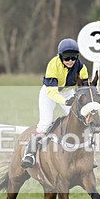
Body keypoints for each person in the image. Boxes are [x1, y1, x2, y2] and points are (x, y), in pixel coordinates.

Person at [21, 37, 89, 168]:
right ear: (60, 57)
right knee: (45, 124)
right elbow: (52, 92)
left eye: (73, 57)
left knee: (80, 120)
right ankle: (29, 154)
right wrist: (65, 101)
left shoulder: (82, 67)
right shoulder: (53, 64)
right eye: (66, 58)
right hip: (49, 92)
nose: (70, 61)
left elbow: (84, 89)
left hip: (68, 92)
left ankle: (84, 154)